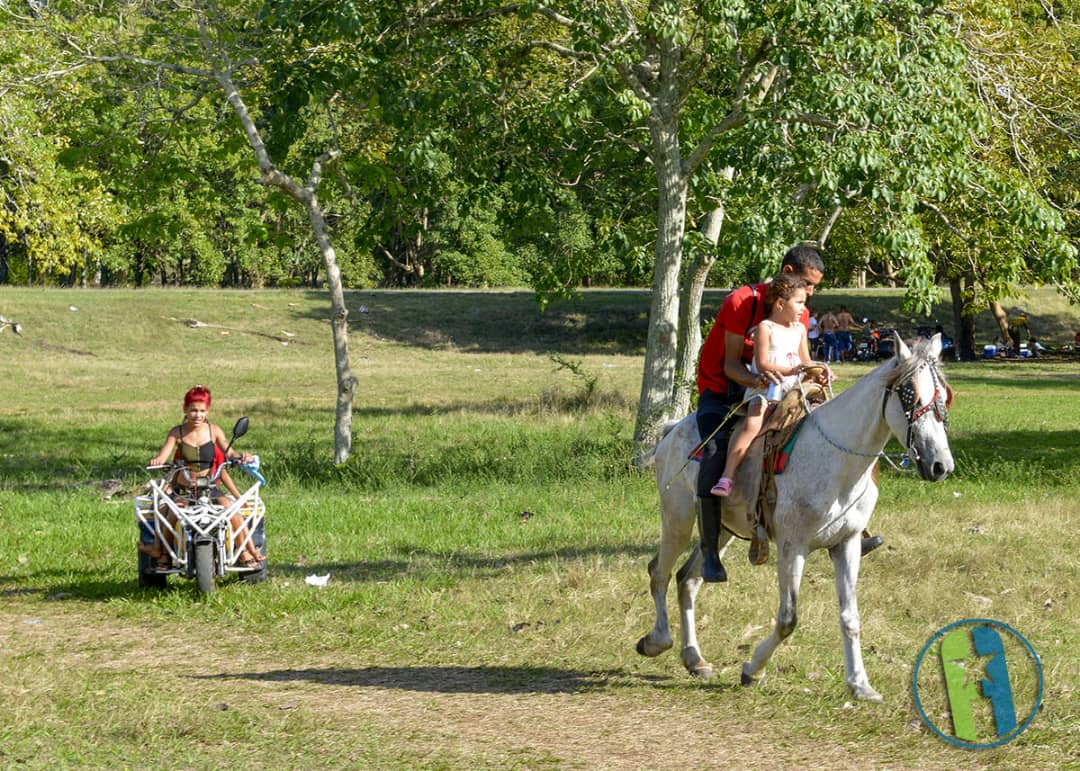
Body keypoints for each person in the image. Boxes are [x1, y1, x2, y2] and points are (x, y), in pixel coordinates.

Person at [694, 245, 824, 582]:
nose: (809, 295)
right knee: (711, 449)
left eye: (813, 289)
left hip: (777, 388)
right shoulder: (741, 302)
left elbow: (802, 358)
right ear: (788, 271)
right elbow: (731, 365)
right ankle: (709, 549)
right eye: (807, 285)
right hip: (724, 386)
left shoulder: (800, 314)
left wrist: (816, 372)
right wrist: (761, 382)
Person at [710, 274, 812, 497]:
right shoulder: (765, 328)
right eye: (800, 302)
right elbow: (764, 363)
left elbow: (806, 361)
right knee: (753, 424)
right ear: (780, 303)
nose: (804, 309)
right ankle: (727, 476)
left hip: (795, 389)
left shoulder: (800, 330)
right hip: (767, 389)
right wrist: (792, 371)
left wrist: (818, 371)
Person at [141, 385, 263, 568]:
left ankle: (245, 551)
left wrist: (242, 457)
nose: (197, 415)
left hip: (209, 489)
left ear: (208, 411)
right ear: (185, 410)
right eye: (193, 410)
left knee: (230, 510)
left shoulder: (214, 431)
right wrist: (157, 461)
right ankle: (164, 554)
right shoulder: (177, 433)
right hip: (185, 490)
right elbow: (163, 456)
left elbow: (229, 454)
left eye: (202, 411)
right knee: (174, 512)